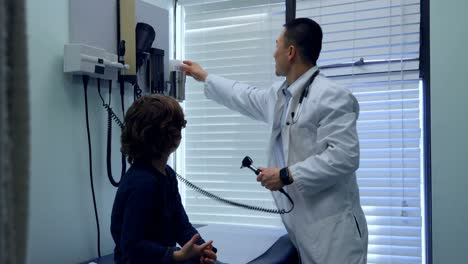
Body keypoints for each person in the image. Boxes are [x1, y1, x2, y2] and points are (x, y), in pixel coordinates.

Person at [181, 18, 368, 263]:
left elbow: (344, 157)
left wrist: (285, 175)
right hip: (304, 229)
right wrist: (204, 76)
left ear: (290, 52)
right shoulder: (282, 96)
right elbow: (244, 95)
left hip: (335, 233)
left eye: (276, 45)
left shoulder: (332, 96)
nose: (273, 53)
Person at [110, 95, 217, 264]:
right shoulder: (142, 184)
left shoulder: (167, 175)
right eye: (178, 127)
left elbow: (180, 225)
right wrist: (176, 255)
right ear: (167, 135)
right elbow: (132, 246)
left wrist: (201, 249)